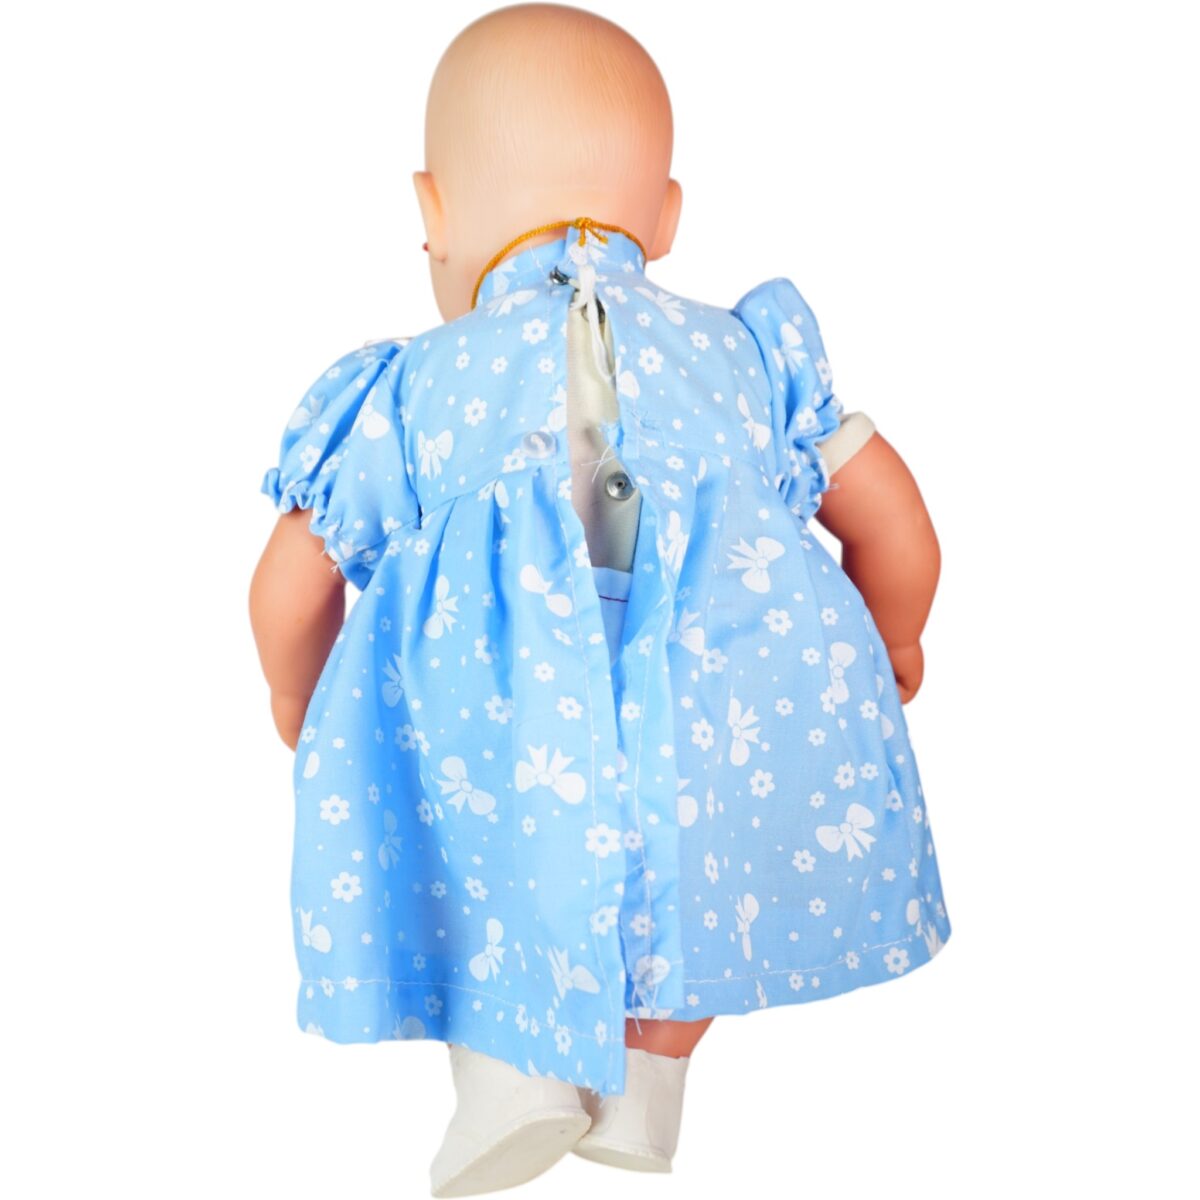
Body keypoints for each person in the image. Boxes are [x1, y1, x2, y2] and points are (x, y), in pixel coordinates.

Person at [248, 5, 951, 1196]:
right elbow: (891, 508)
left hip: (499, 716)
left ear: (432, 215)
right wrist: (898, 630)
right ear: (665, 217)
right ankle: (649, 1075)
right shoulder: (746, 353)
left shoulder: (415, 388)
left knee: (487, 855)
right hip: (718, 690)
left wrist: (295, 692)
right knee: (708, 855)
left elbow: (289, 578)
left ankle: (511, 1079)